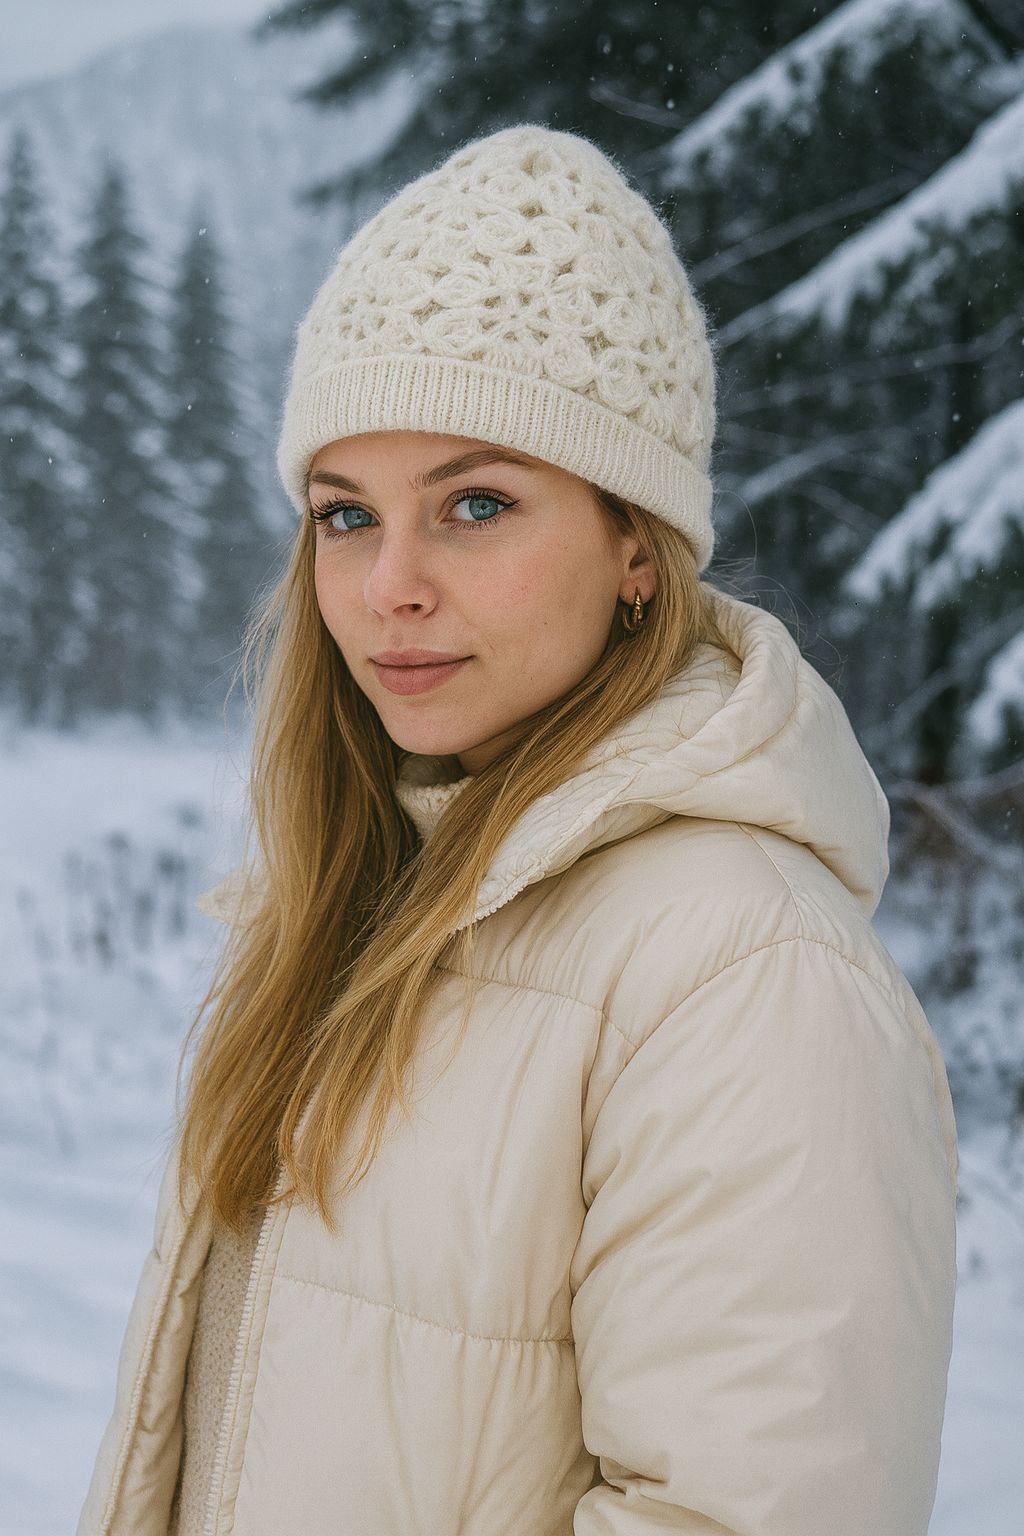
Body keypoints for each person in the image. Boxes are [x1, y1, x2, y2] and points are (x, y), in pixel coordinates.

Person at [77, 124, 959, 1536]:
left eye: (475, 504)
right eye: (345, 516)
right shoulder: (362, 896)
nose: (389, 587)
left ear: (634, 545)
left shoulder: (743, 973)